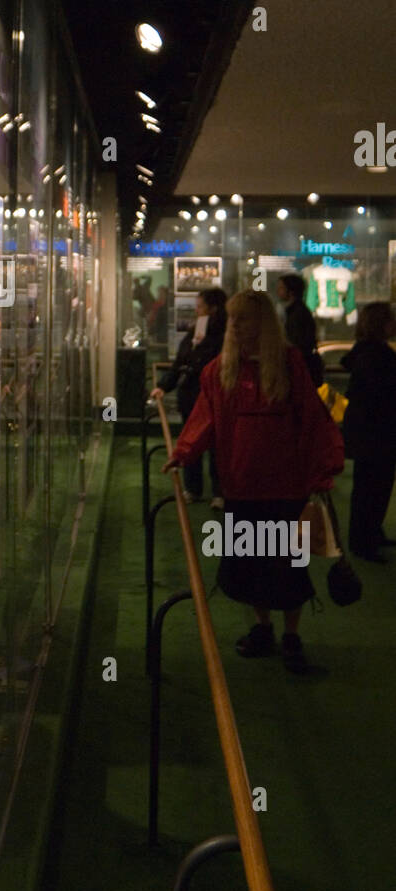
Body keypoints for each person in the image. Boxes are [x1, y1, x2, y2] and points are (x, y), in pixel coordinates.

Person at [164, 291, 344, 673]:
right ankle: (264, 628)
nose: (236, 326)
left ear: (262, 323)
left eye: (244, 319)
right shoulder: (220, 370)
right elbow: (205, 416)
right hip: (241, 487)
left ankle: (291, 635)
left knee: (288, 567)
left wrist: (323, 469)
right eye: (233, 319)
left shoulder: (290, 366)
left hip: (285, 489)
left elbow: (312, 420)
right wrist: (183, 452)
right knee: (249, 565)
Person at [150, 288, 227, 506]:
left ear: (213, 308)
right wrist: (164, 385)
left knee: (216, 444)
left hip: (211, 396)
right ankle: (195, 488)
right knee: (195, 438)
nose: (196, 310)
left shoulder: (223, 336)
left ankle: (217, 491)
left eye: (200, 306)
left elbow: (191, 363)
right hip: (193, 395)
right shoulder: (197, 332)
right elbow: (181, 363)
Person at [341, 302, 396, 564]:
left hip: (367, 431)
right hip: (377, 433)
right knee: (375, 488)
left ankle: (368, 534)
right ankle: (365, 540)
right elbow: (382, 395)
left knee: (368, 487)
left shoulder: (365, 353)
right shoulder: (378, 356)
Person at [276, 274, 323, 386]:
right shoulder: (298, 311)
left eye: (281, 288)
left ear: (291, 291)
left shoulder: (297, 314)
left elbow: (296, 342)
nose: (278, 291)